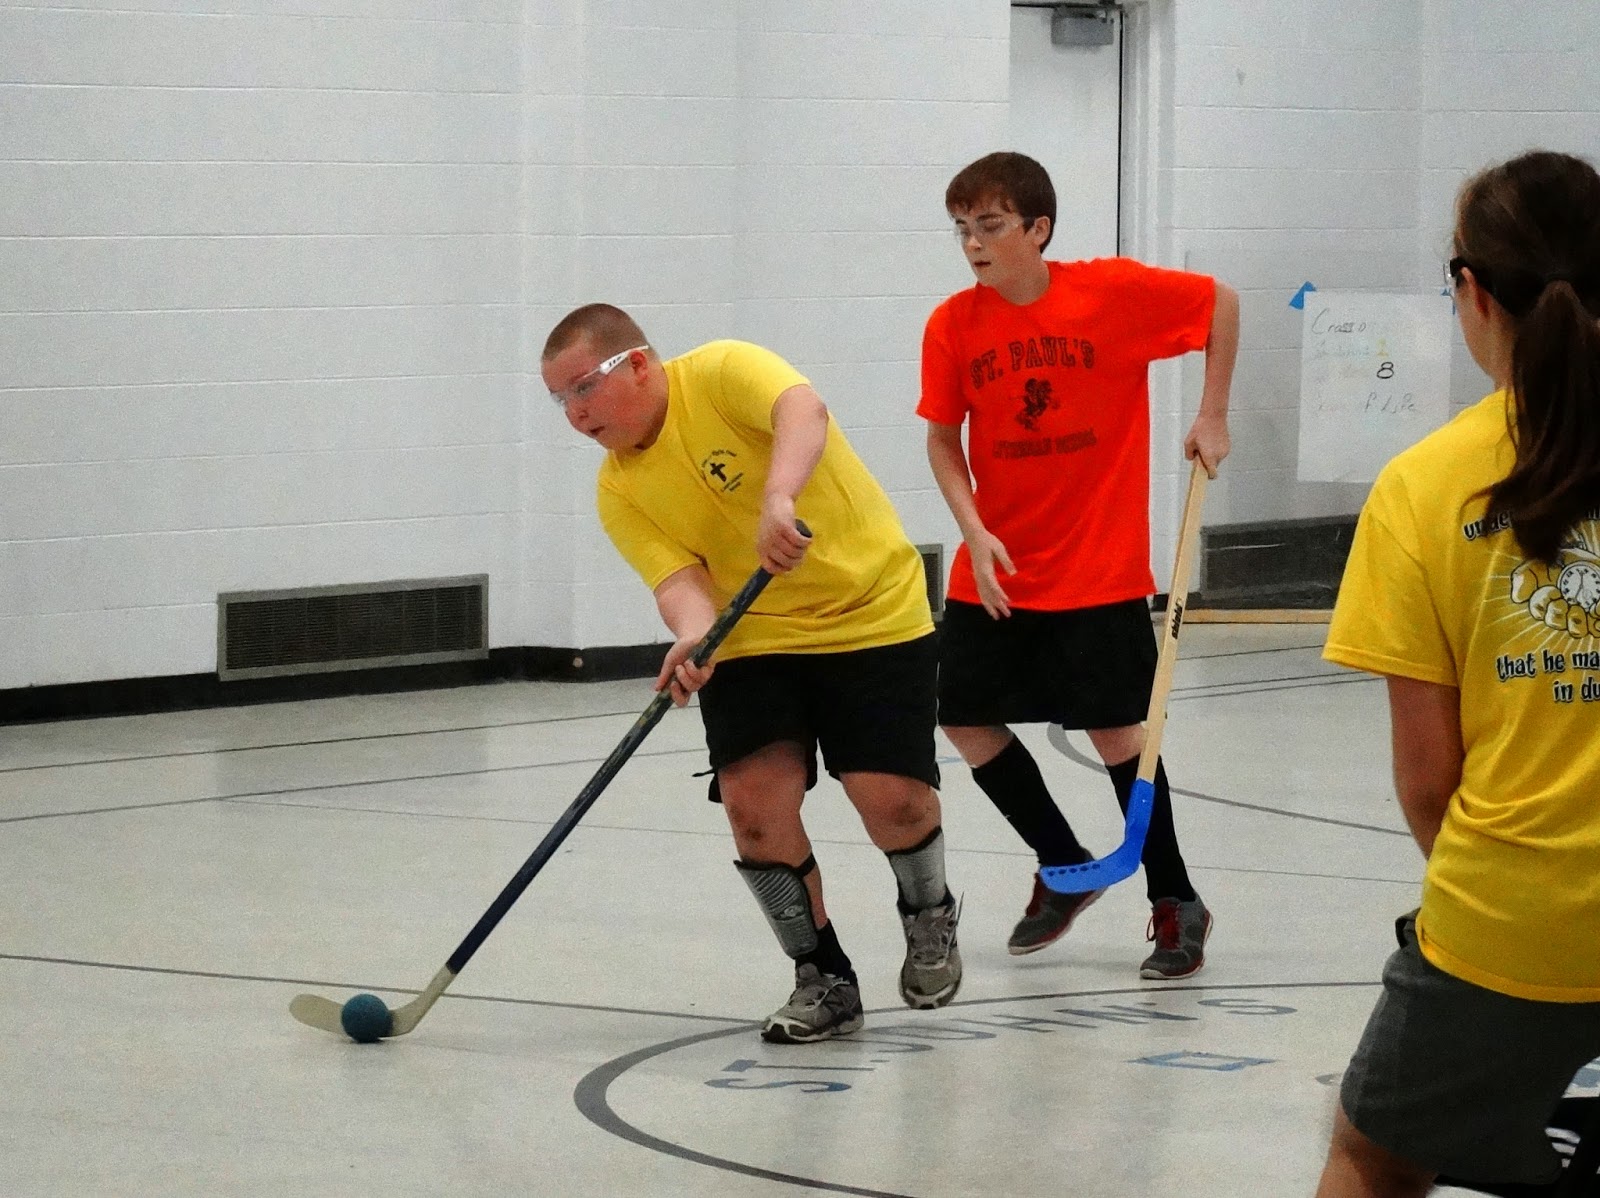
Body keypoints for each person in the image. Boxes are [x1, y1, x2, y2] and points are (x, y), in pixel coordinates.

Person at [541, 303, 960, 1044]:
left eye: (584, 388)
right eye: (560, 400)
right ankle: (822, 975)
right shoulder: (618, 489)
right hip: (756, 634)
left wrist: (778, 496)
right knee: (753, 811)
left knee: (891, 801)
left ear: (638, 364)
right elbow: (680, 584)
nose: (575, 415)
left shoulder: (723, 370)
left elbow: (804, 409)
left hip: (871, 611)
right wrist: (696, 639)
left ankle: (927, 911)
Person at [1316, 150, 1600, 1196]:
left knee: (1368, 1154)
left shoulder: (1425, 486)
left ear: (1471, 293)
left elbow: (1429, 784)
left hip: (1510, 923)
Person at [918, 150, 1238, 979]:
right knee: (963, 716)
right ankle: (1062, 865)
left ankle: (1176, 900)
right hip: (998, 563)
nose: (974, 245)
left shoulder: (1111, 293)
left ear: (1038, 228)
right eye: (962, 230)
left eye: (989, 227)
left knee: (1114, 731)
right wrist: (973, 528)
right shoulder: (953, 323)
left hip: (1096, 562)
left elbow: (1222, 304)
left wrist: (1212, 413)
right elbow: (942, 440)